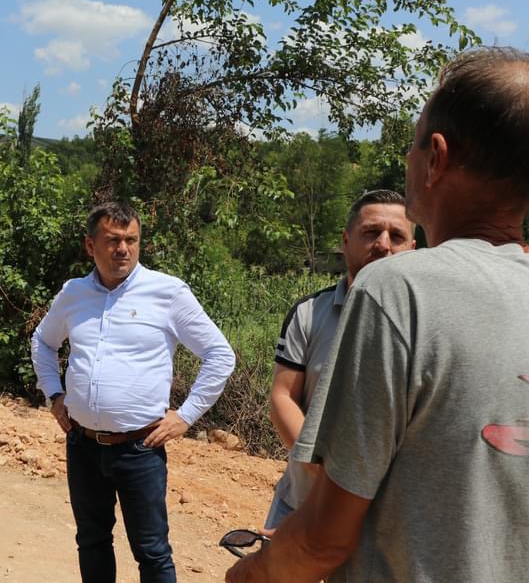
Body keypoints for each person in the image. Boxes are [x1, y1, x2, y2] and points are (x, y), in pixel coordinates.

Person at [226, 46, 529, 582]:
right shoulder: (318, 310)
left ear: (435, 158)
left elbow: (323, 538)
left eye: (413, 146)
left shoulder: (397, 290)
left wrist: (250, 575)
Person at [32, 201, 236, 583]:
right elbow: (43, 342)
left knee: (152, 551)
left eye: (131, 240)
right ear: (90, 246)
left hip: (140, 449)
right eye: (113, 240)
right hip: (83, 444)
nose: (123, 249)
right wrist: (54, 395)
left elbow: (220, 355)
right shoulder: (74, 293)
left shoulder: (167, 292)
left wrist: (186, 416)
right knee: (92, 541)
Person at [264, 190, 415, 529]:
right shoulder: (309, 313)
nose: (383, 245)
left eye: (397, 236)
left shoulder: (428, 325)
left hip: (384, 525)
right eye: (371, 232)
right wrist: (320, 468)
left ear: (413, 249)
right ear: (346, 241)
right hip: (301, 505)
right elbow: (283, 396)